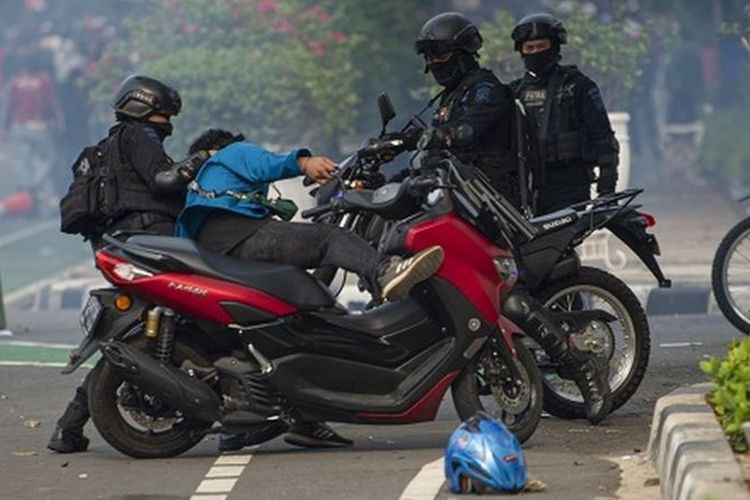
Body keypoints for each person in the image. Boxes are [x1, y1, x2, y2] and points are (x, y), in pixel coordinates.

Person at [176, 128, 445, 448]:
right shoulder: (230, 153)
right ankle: (385, 272)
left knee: (299, 319)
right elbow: (266, 163)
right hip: (239, 238)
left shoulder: (204, 188)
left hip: (218, 252)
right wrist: (305, 163)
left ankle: (296, 422)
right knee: (328, 239)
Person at [48, 75, 206, 454]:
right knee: (210, 304)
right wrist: (201, 160)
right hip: (148, 241)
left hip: (122, 246)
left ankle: (69, 426)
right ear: (143, 109)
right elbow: (163, 179)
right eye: (163, 115)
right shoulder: (137, 137)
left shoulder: (108, 148)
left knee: (126, 336)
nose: (167, 123)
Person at [509, 13, 620, 215]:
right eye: (529, 48)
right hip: (527, 190)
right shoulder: (514, 93)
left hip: (569, 186)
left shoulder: (577, 86)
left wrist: (606, 191)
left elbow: (604, 140)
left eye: (541, 47)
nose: (535, 53)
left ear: (555, 46)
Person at [411, 12, 522, 208]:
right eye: (429, 58)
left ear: (463, 54)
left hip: (489, 196)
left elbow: (466, 129)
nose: (434, 63)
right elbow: (436, 151)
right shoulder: (451, 96)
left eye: (440, 56)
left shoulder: (486, 89)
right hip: (457, 189)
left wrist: (431, 136)